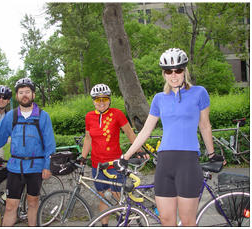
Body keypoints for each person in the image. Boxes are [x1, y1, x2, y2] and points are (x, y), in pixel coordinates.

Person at [115, 48, 224, 226]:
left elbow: (204, 125)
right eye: (168, 71)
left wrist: (212, 154)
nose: (174, 75)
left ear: (184, 71)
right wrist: (126, 156)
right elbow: (146, 131)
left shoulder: (199, 93)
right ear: (164, 74)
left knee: (188, 221)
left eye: (178, 70)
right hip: (165, 162)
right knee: (166, 220)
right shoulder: (159, 98)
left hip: (188, 162)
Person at [0, 77, 56, 226]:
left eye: (27, 92)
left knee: (33, 203)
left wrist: (47, 166)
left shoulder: (43, 117)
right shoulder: (10, 116)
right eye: (21, 92)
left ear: (33, 95)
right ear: (17, 96)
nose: (24, 95)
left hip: (36, 167)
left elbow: (50, 145)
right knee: (11, 206)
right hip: (15, 168)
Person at [80, 83, 146, 227]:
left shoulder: (117, 114)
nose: (101, 102)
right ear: (93, 101)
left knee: (117, 197)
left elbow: (129, 132)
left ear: (109, 100)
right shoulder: (89, 116)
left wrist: (139, 150)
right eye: (98, 100)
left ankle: (125, 220)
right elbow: (88, 138)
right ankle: (105, 225)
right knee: (103, 197)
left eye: (104, 99)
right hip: (97, 165)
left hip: (114, 164)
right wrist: (83, 157)